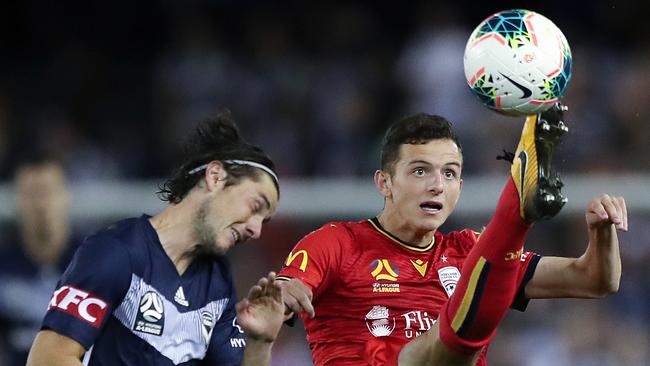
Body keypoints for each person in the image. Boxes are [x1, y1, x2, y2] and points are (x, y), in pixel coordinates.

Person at [277, 104, 627, 365]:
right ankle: (516, 210)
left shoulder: (469, 251)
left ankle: (518, 206)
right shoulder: (338, 242)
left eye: (449, 174)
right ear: (384, 182)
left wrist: (602, 233)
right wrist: (285, 288)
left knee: (477, 278)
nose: (436, 186)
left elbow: (595, 280)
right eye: (419, 171)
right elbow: (288, 288)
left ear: (460, 186)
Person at [26, 110, 286, 366]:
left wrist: (260, 342)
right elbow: (47, 359)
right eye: (255, 206)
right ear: (215, 176)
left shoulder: (217, 283)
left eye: (264, 220)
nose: (256, 230)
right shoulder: (115, 252)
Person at [0, 158, 79, 366]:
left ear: (66, 196)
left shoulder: (96, 261)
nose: (40, 204)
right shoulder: (3, 266)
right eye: (31, 193)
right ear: (17, 200)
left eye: (47, 191)